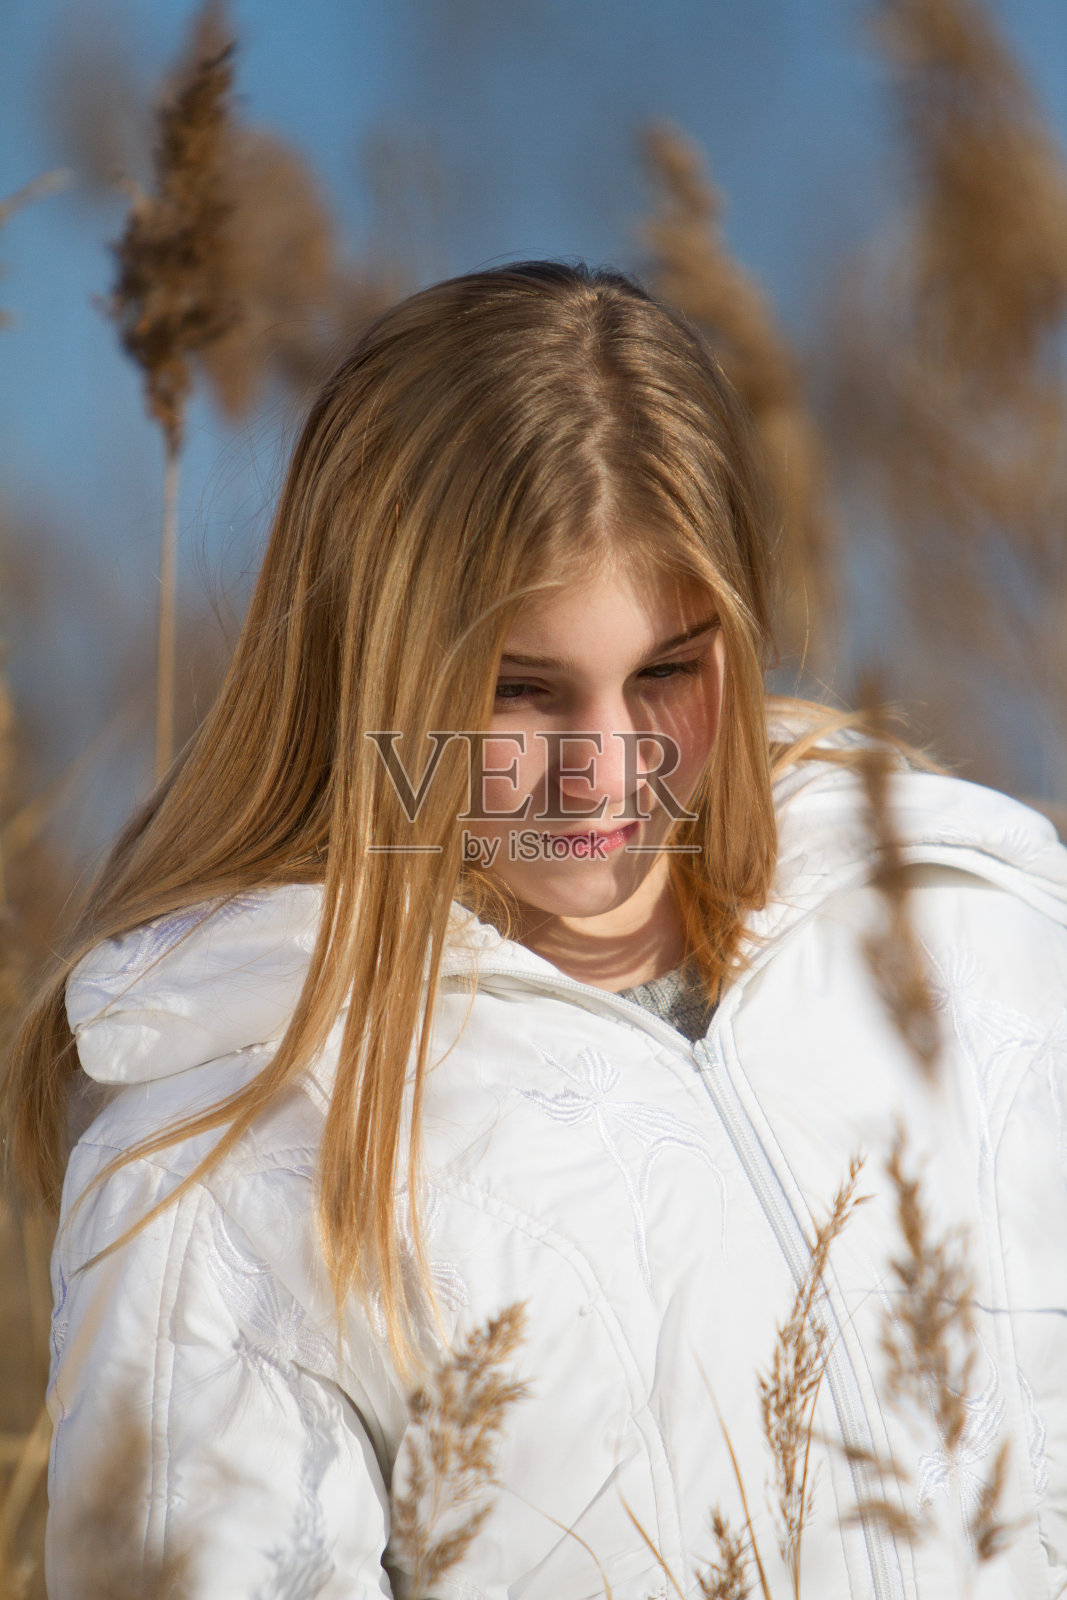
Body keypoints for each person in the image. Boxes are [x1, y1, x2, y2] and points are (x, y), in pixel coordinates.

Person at [7, 261, 1067, 1600]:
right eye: (524, 689)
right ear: (381, 663)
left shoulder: (965, 933)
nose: (604, 766)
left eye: (666, 673)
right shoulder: (235, 1132)